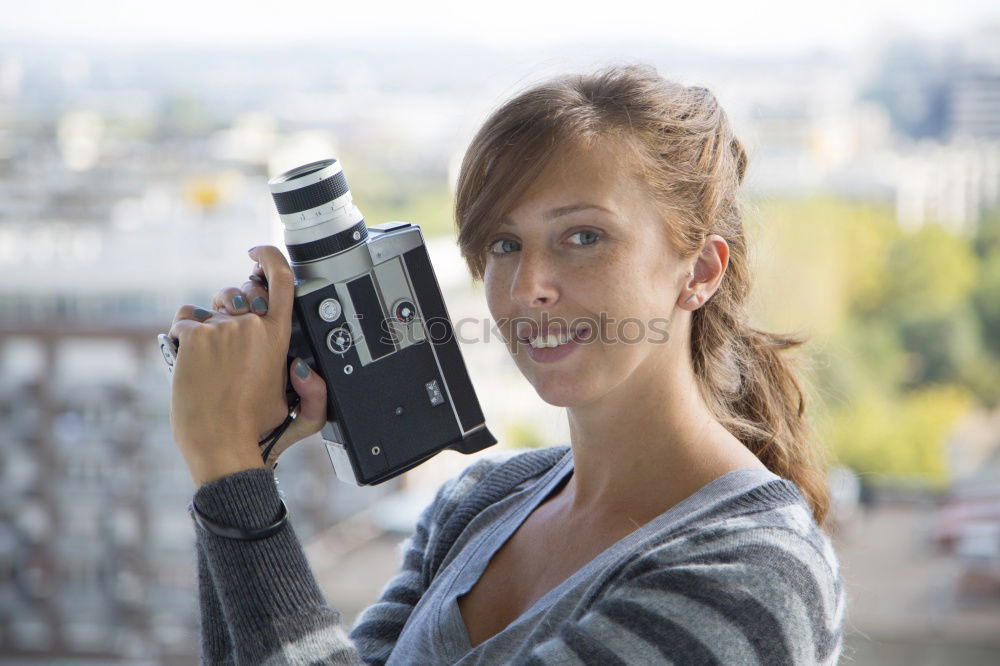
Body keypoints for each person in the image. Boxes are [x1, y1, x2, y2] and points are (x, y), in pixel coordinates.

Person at [167, 63, 845, 665]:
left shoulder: (751, 573)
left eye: (583, 236)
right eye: (504, 244)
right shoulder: (479, 504)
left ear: (699, 271)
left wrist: (229, 471)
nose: (527, 288)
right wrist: (242, 457)